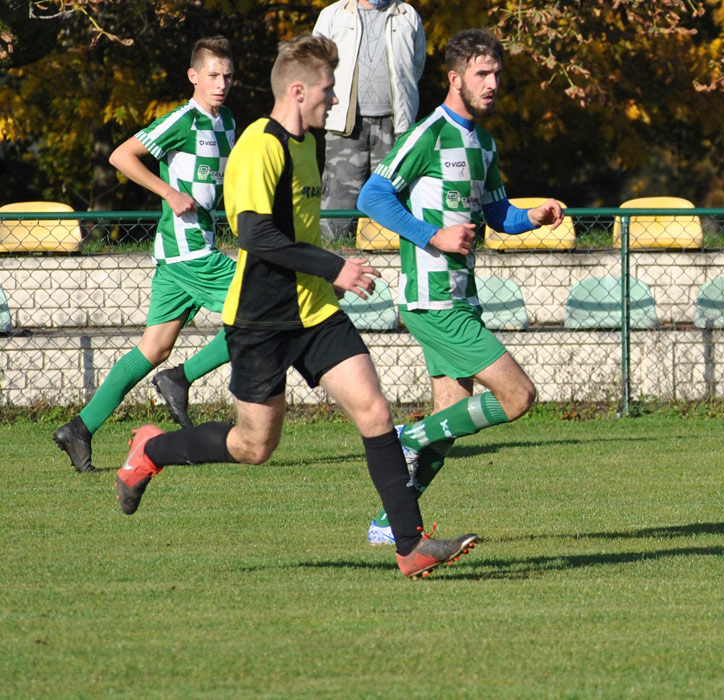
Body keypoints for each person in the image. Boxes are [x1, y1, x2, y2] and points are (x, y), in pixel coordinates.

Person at [113, 35, 477, 580]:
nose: (335, 100)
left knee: (375, 412)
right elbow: (256, 234)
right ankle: (152, 449)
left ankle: (410, 546)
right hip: (260, 317)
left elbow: (295, 230)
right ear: (300, 90)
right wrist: (335, 267)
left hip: (315, 311)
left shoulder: (310, 142)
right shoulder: (259, 145)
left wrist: (324, 280)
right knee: (254, 445)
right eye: (329, 90)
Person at [355, 28, 564, 546]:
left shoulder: (484, 142)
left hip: (460, 298)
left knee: (450, 426)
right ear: (454, 78)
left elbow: (497, 216)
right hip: (433, 298)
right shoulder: (427, 134)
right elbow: (372, 197)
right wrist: (434, 235)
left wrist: (534, 216)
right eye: (481, 74)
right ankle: (407, 435)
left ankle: (389, 525)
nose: (492, 83)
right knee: (518, 396)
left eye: (496, 74)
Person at [53, 37, 240, 473]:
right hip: (188, 251)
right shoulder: (181, 119)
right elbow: (122, 156)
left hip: (184, 255)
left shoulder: (229, 121)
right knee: (261, 309)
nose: (221, 83)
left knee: (153, 348)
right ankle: (181, 379)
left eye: (228, 75)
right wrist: (169, 192)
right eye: (213, 74)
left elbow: (220, 185)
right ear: (193, 76)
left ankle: (79, 428)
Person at [313, 0, 426, 243]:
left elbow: (416, 67)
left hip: (396, 126)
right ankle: (332, 257)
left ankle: (392, 258)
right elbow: (314, 65)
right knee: (337, 201)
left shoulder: (408, 15)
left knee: (392, 200)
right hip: (345, 125)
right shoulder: (333, 14)